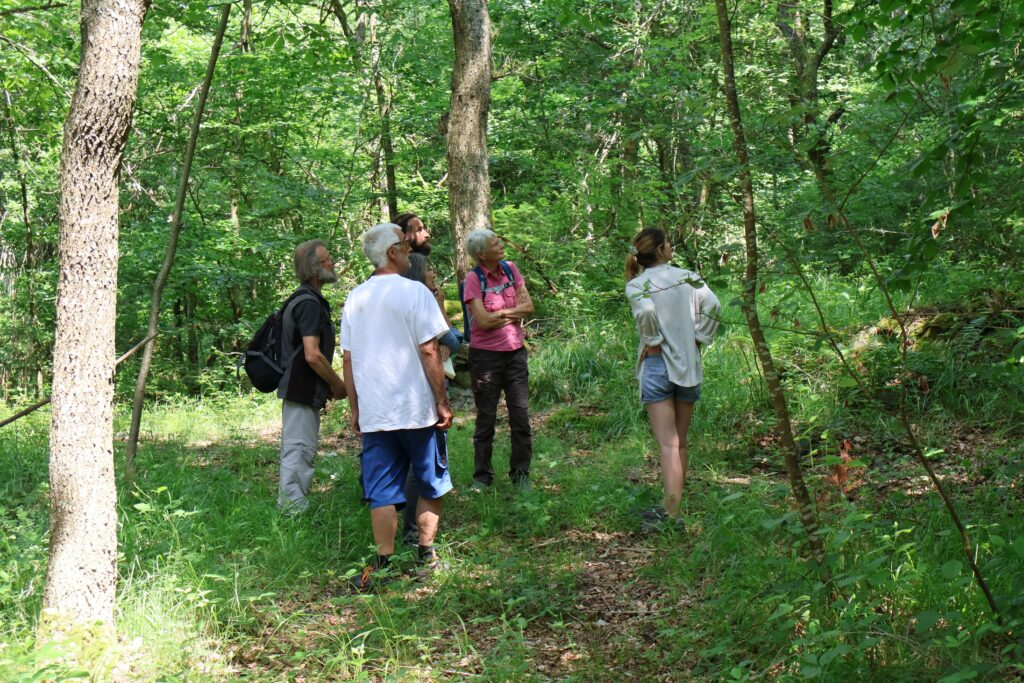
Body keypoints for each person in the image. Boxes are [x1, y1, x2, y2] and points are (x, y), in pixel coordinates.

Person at [341, 223, 453, 590]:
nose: (410, 251)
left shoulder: (355, 298)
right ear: (392, 252)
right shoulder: (415, 294)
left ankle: (383, 562)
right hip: (417, 408)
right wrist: (441, 400)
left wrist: (356, 409)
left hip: (376, 412)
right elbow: (429, 349)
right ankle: (426, 555)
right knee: (429, 482)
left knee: (382, 490)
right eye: (405, 245)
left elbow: (348, 359)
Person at [625, 228, 720, 530]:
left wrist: (652, 340)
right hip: (688, 365)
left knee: (668, 444)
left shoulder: (637, 284)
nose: (672, 247)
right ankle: (674, 509)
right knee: (680, 443)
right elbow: (714, 306)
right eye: (669, 243)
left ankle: (672, 514)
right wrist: (698, 339)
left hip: (657, 365)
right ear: (663, 250)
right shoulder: (688, 276)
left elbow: (646, 311)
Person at [277, 239, 347, 513]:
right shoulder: (308, 303)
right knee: (298, 449)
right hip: (300, 388)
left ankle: (293, 507)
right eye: (328, 259)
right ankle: (291, 513)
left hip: (302, 389)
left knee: (301, 448)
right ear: (315, 269)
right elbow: (312, 354)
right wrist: (337, 384)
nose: (333, 263)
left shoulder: (308, 299)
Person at [462, 228, 534, 491]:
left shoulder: (511, 269)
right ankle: (482, 477)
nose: (501, 245)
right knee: (486, 418)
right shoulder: (473, 279)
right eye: (495, 243)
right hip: (485, 358)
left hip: (515, 353)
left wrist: (500, 314)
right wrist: (512, 313)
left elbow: (529, 307)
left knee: (520, 415)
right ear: (482, 254)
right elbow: (482, 321)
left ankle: (521, 474)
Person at [399, 253, 461, 546]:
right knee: (422, 468)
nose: (434, 275)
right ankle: (418, 540)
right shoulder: (421, 298)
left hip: (391, 396)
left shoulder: (386, 300)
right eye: (430, 271)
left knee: (401, 465)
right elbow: (448, 340)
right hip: (420, 393)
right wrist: (442, 401)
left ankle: (402, 538)